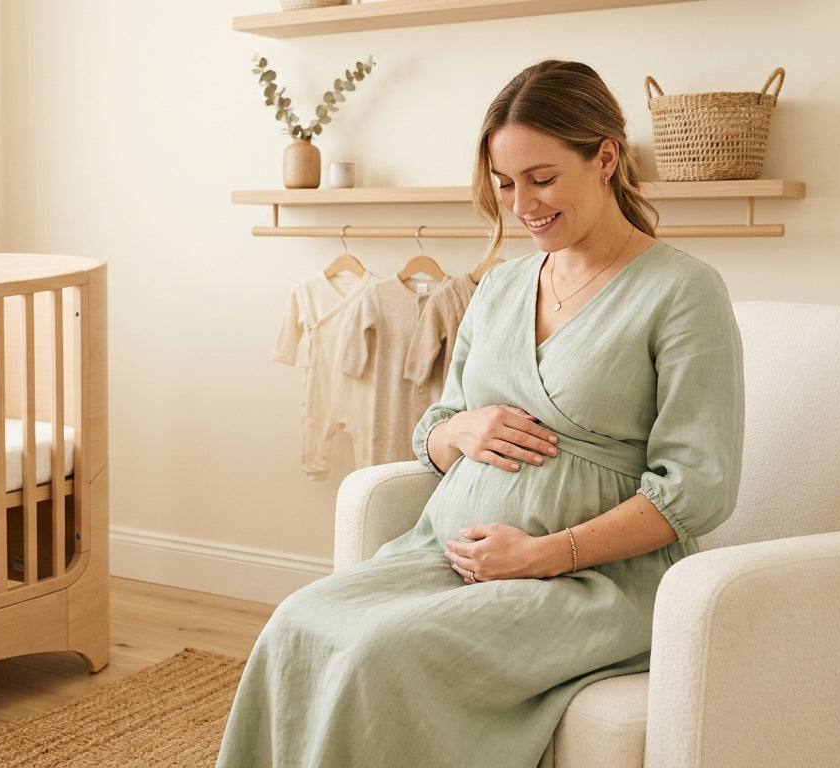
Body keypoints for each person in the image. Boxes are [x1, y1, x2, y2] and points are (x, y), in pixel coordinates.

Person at [217, 59, 745, 768]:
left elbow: (698, 487)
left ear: (606, 158)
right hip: (450, 551)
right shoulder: (498, 287)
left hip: (598, 583)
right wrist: (455, 430)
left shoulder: (683, 291)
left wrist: (539, 556)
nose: (521, 204)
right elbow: (434, 428)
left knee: (381, 653)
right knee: (295, 623)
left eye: (542, 177)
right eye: (504, 184)